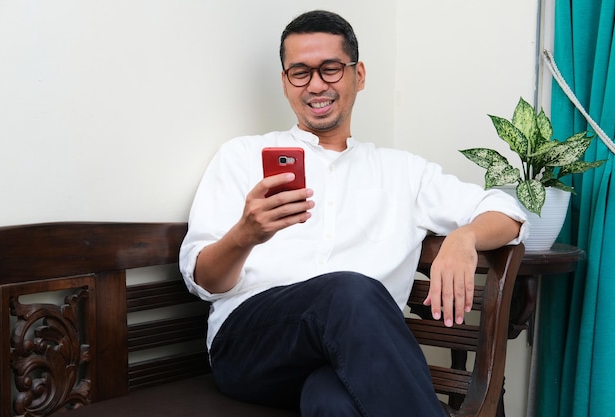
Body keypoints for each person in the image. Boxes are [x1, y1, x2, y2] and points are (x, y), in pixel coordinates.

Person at [180, 9, 528, 417]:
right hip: (251, 349)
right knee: (348, 291)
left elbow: (507, 210)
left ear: (358, 75)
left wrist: (464, 237)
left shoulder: (403, 172)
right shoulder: (240, 157)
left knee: (333, 402)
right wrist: (245, 234)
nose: (315, 85)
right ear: (285, 81)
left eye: (330, 69)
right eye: (300, 72)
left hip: (352, 355)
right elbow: (203, 280)